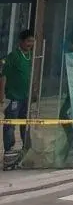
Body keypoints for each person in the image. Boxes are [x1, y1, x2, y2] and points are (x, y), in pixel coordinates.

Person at [1, 28, 34, 157]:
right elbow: (4, 76)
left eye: (32, 41)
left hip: (26, 96)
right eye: (28, 41)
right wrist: (2, 94)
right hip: (13, 96)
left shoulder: (31, 55)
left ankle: (27, 147)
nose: (30, 44)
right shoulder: (13, 56)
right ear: (21, 41)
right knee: (10, 123)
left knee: (25, 122)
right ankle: (9, 149)